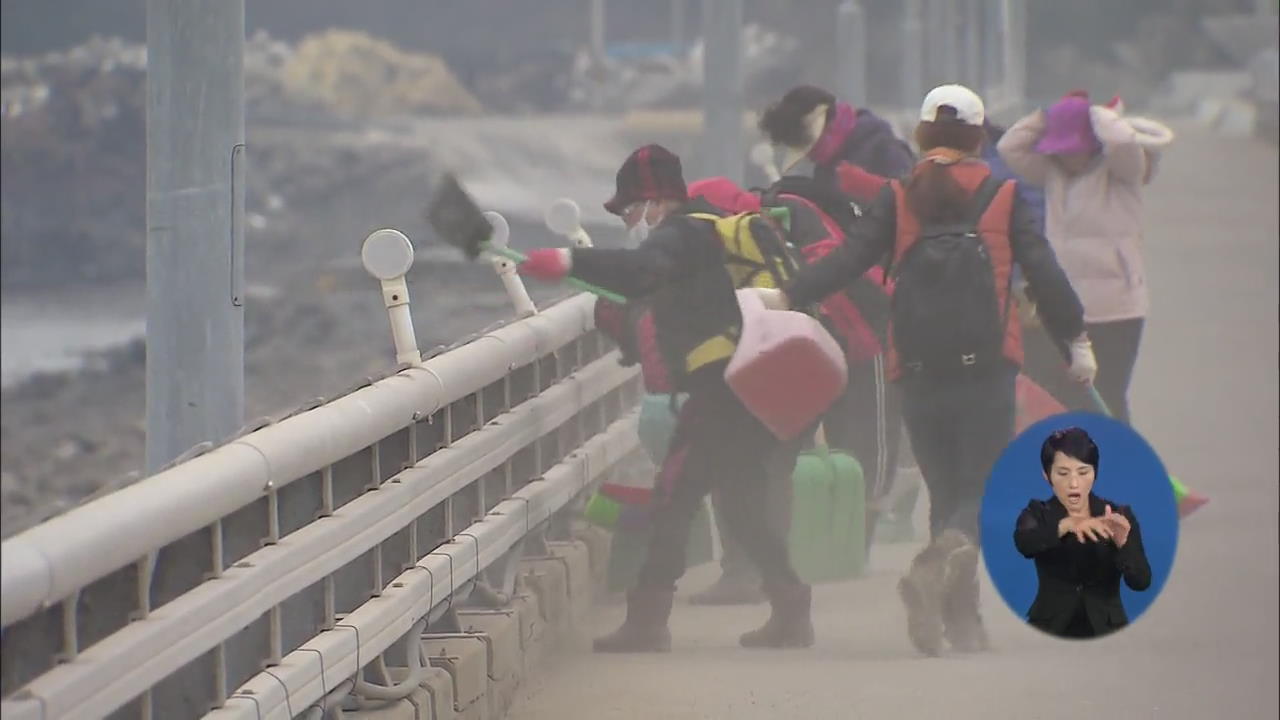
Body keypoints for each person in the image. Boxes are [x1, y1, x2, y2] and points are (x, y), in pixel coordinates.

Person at [767, 84, 1095, 656]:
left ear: (922, 135)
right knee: (984, 491)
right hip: (986, 367)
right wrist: (1076, 341)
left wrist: (788, 295)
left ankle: (959, 621)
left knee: (946, 493)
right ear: (977, 135)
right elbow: (1043, 272)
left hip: (916, 370)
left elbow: (848, 260)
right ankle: (940, 568)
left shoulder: (897, 197)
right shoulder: (1004, 195)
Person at [517, 144, 815, 652]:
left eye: (632, 209)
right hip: (745, 387)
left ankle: (648, 621)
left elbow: (641, 269)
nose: (634, 220)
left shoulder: (683, 233)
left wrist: (568, 261)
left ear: (656, 200)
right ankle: (791, 610)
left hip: (722, 394)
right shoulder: (713, 227)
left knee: (674, 496)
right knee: (740, 505)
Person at [677, 176, 900, 605]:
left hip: (854, 342)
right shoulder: (742, 237)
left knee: (859, 445)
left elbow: (840, 276)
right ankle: (759, 571)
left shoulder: (785, 220)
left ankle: (841, 549)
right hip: (789, 353)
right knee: (768, 457)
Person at [997, 91, 1153, 423]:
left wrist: (1095, 114)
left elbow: (1124, 142)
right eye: (1060, 150)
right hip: (1065, 309)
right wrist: (1047, 115)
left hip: (1117, 309)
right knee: (1066, 398)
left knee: (1108, 395)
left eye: (1074, 148)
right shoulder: (1051, 174)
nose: (1068, 157)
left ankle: (1121, 465)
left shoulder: (1123, 172)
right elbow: (1009, 147)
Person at [1013, 427, 1152, 639]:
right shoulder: (1037, 514)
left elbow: (1141, 582)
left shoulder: (1119, 516)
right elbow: (1025, 543)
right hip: (1049, 630)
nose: (1074, 483)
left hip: (1107, 630)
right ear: (1047, 475)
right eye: (1063, 473)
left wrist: (1123, 543)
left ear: (1095, 473)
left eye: (1083, 472)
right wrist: (1066, 525)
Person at [758, 84, 915, 195]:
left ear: (829, 125)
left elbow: (912, 203)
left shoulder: (884, 147)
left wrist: (868, 185)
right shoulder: (825, 168)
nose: (810, 156)